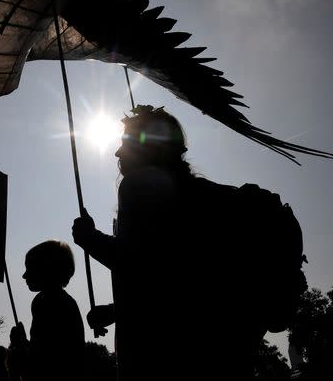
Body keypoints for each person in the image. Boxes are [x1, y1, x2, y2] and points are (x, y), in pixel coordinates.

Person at [72, 105, 267, 380]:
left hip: (158, 360)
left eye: (125, 143)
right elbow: (172, 278)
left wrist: (87, 237)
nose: (117, 153)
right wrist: (117, 311)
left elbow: (135, 260)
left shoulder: (137, 185)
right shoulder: (196, 196)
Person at [10, 240, 85, 381]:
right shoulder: (64, 302)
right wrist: (24, 344)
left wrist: (21, 345)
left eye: (29, 268)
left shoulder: (46, 302)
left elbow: (44, 363)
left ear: (46, 268)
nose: (24, 275)